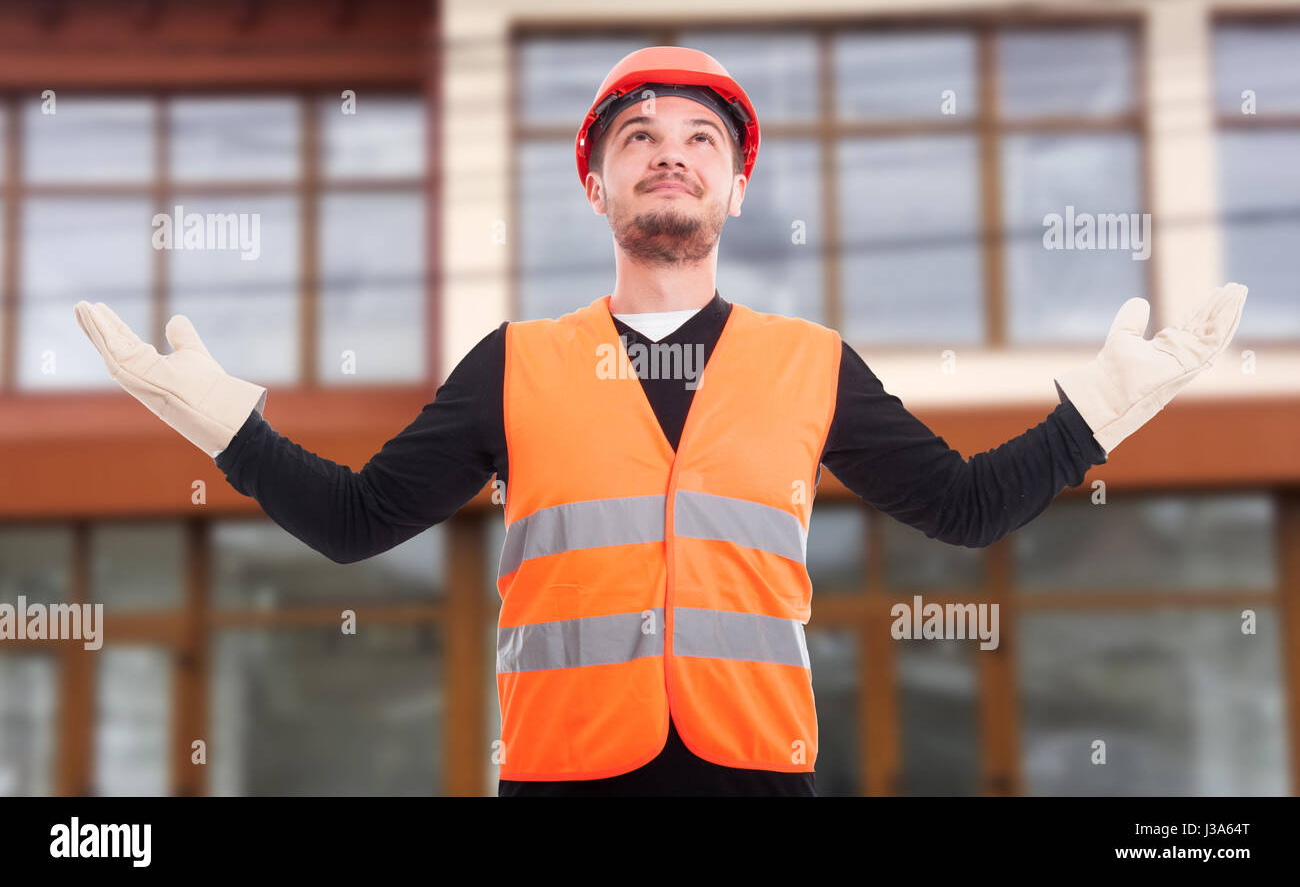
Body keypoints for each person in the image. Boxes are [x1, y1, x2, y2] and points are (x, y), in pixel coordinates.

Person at [73, 46, 1248, 797]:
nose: (670, 157)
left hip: (756, 773)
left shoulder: (810, 363)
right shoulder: (514, 365)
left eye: (702, 141)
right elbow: (355, 521)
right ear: (597, 184)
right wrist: (227, 424)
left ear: (735, 187)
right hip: (562, 775)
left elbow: (966, 506)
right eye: (640, 138)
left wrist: (1098, 411)